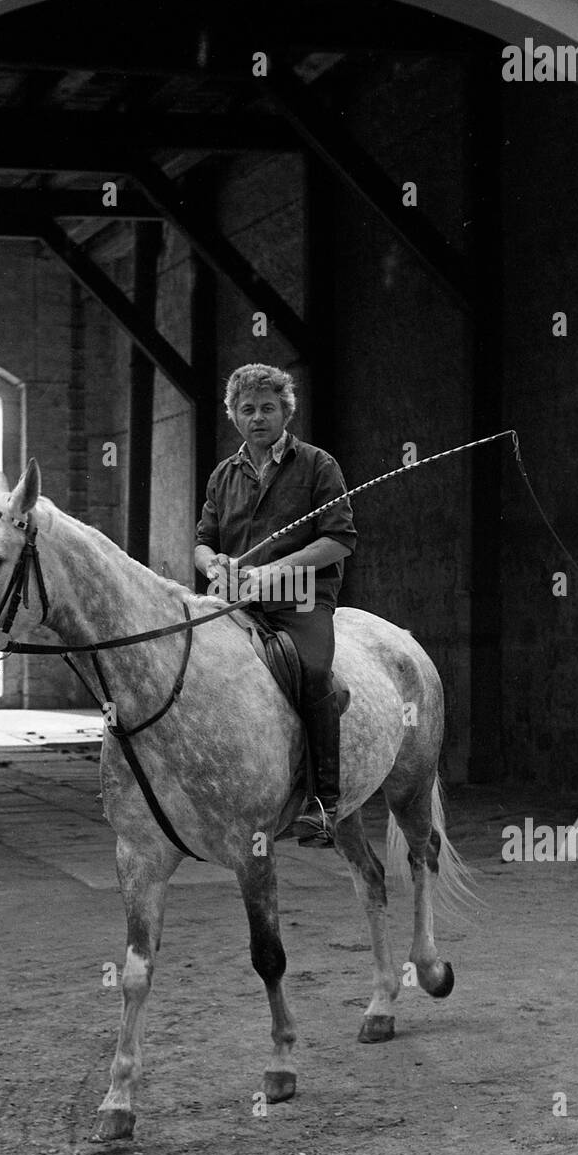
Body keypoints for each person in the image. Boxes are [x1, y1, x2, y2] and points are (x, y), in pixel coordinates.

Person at [194, 363, 356, 847]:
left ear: (286, 411)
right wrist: (213, 565)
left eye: (268, 408)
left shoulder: (318, 465)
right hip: (238, 603)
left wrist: (277, 570)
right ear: (234, 416)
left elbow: (340, 540)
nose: (258, 417)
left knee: (312, 673)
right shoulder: (224, 475)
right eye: (248, 409)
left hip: (300, 603)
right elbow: (203, 542)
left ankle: (323, 804)